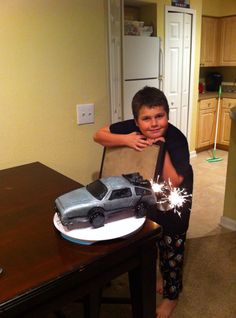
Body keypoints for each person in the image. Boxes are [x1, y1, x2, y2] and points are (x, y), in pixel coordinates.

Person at [93, 86, 193, 318]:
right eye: (146, 118)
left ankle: (171, 295)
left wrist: (162, 148)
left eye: (160, 116)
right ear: (136, 121)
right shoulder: (130, 129)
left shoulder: (176, 139)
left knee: (172, 242)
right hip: (146, 192)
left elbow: (175, 181)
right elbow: (98, 135)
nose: (154, 123)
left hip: (172, 196)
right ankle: (159, 272)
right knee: (149, 235)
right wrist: (125, 140)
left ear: (167, 115)